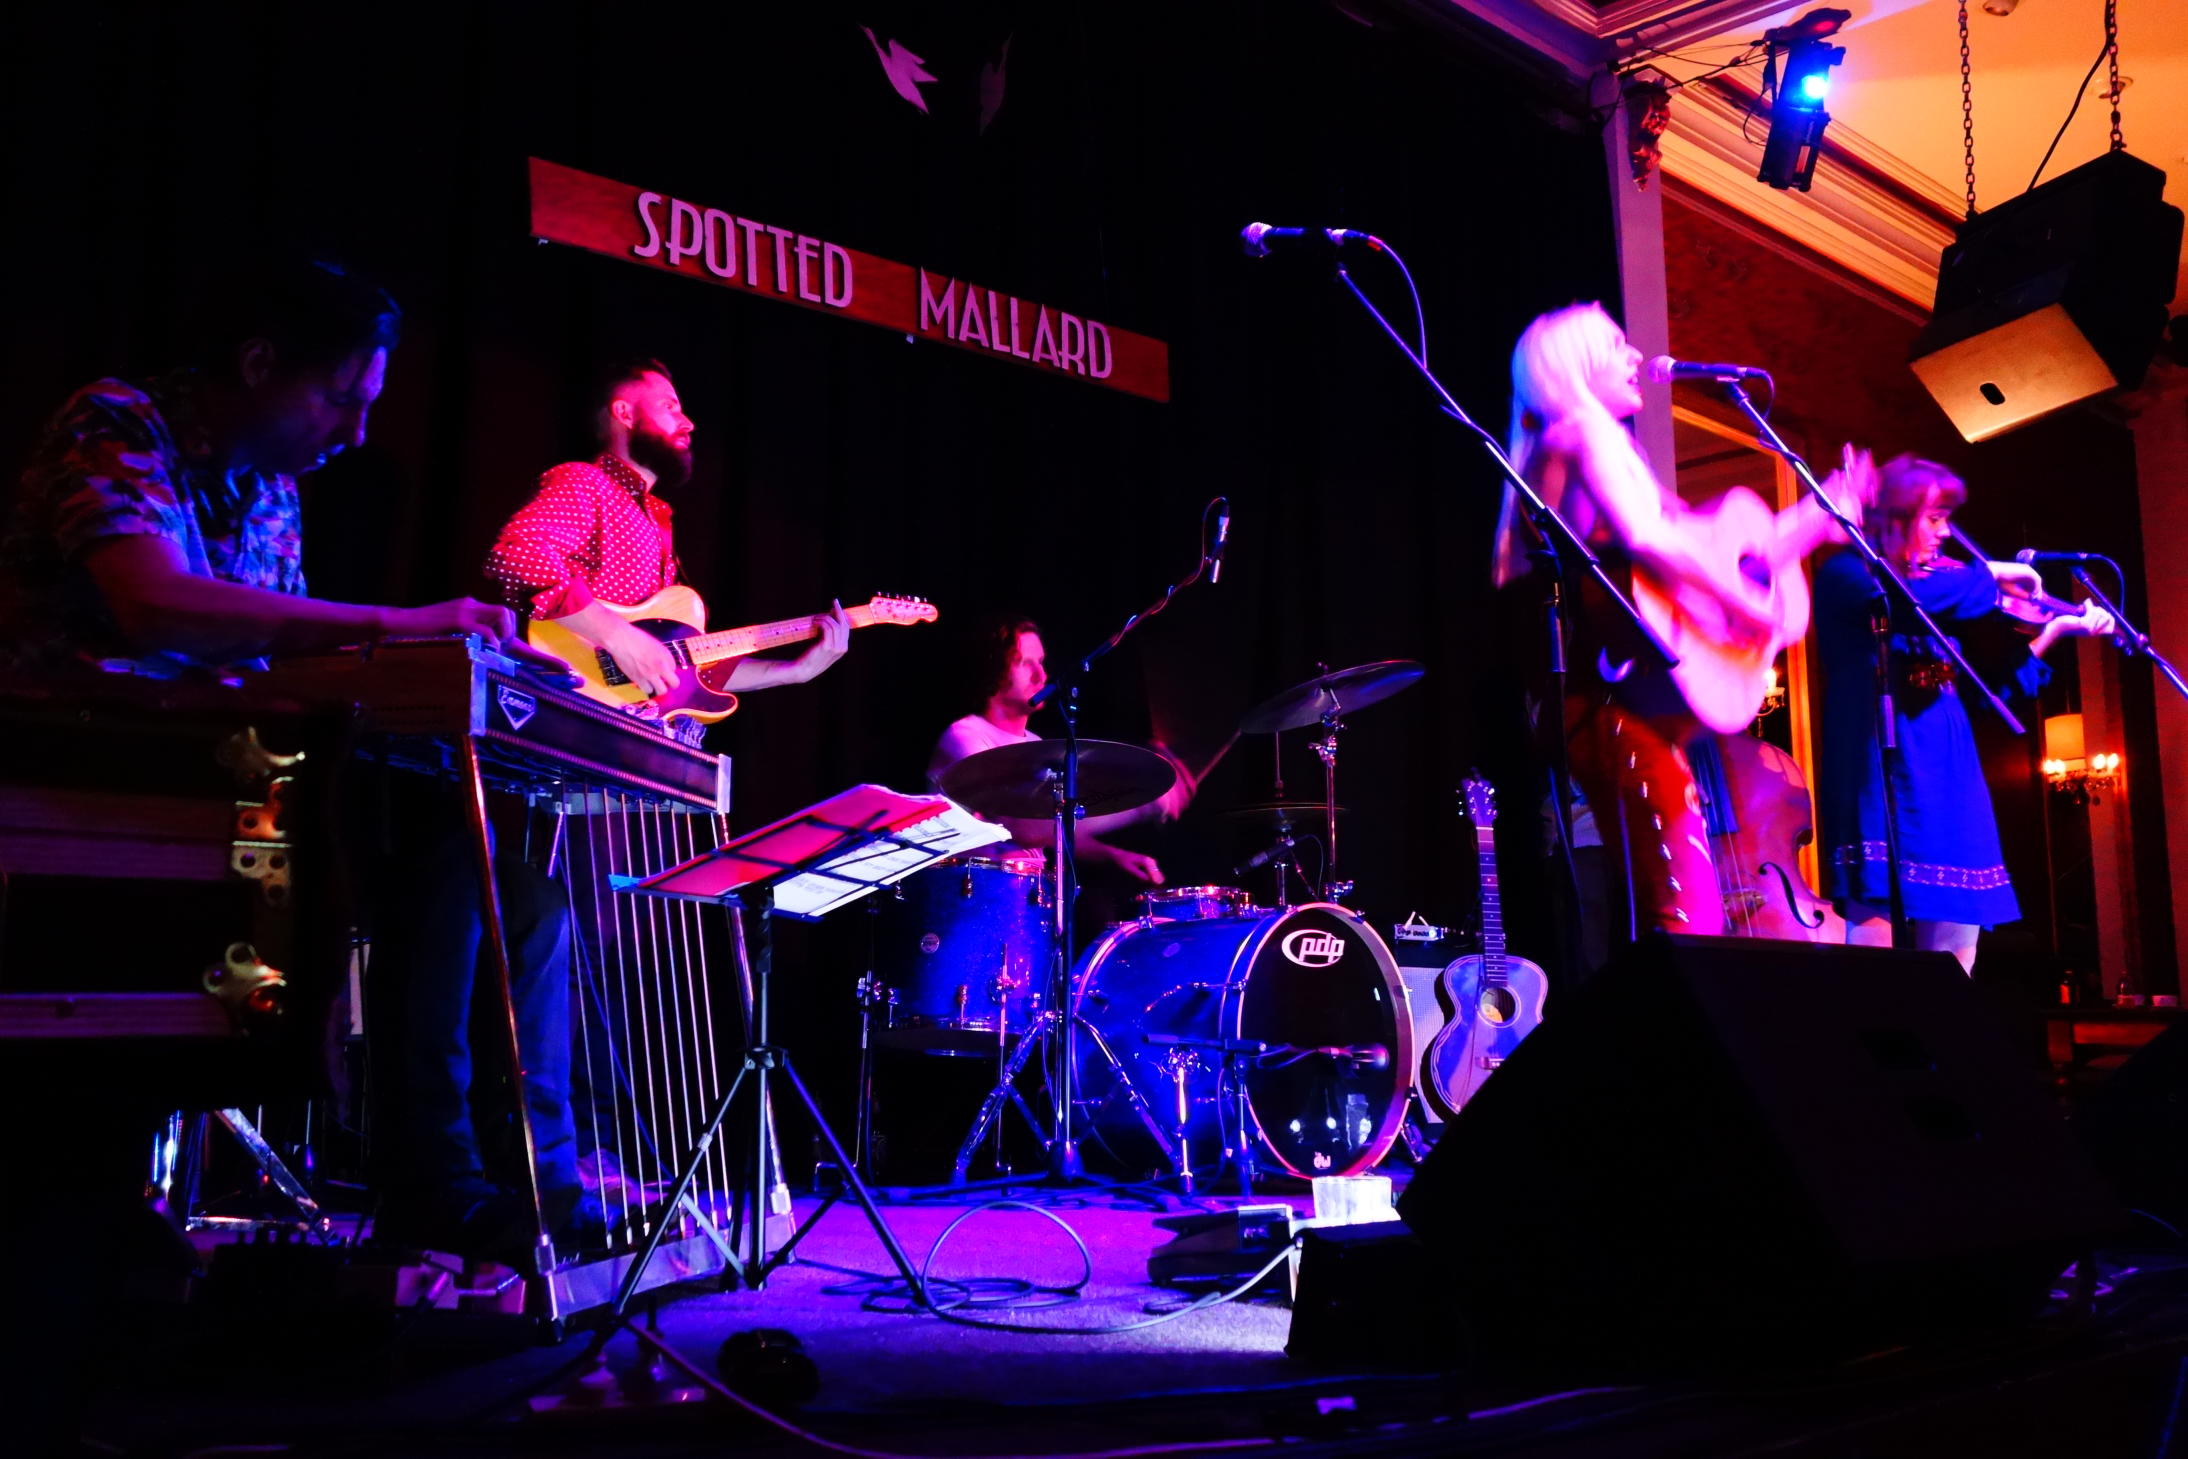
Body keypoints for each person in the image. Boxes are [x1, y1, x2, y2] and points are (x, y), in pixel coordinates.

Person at [0, 256, 580, 1266]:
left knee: (510, 889)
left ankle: (532, 1182)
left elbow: (288, 657)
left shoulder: (272, 491)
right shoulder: (119, 423)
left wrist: (460, 662)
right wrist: (401, 623)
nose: (355, 432)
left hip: (233, 781)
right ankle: (435, 1182)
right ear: (260, 363)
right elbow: (155, 604)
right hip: (86, 780)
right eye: (341, 397)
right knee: (439, 874)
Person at [1491, 302, 1870, 938]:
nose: (1636, 356)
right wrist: (1743, 607)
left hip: (1625, 705)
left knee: (1673, 913)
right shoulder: (1579, 433)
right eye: (1616, 345)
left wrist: (1814, 518)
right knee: (1685, 914)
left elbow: (1708, 559)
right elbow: (1649, 541)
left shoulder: (1602, 451)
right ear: (1576, 363)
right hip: (1610, 703)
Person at [1814, 455, 2115, 974]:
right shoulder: (1848, 574)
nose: (1945, 533)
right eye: (1934, 518)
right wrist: (1992, 573)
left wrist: (2058, 626)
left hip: (1950, 770)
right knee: (1876, 925)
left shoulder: (1940, 595)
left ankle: (1946, 1026)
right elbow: (1903, 597)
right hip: (1888, 766)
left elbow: (1989, 693)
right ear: (1895, 518)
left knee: (1957, 937)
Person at [481, 357, 851, 720]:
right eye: (669, 407)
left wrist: (795, 672)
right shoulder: (586, 481)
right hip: (566, 711)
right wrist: (619, 636)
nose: (688, 423)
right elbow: (519, 554)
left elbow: (680, 663)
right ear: (624, 414)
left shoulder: (655, 518)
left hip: (624, 725)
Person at [927, 614, 1193, 884]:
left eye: (1041, 662)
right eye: (1024, 663)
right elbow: (1026, 828)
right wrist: (1142, 805)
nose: (1041, 675)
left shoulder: (1035, 744)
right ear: (993, 670)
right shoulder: (965, 737)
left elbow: (1052, 831)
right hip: (969, 892)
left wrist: (1112, 854)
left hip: (1026, 892)